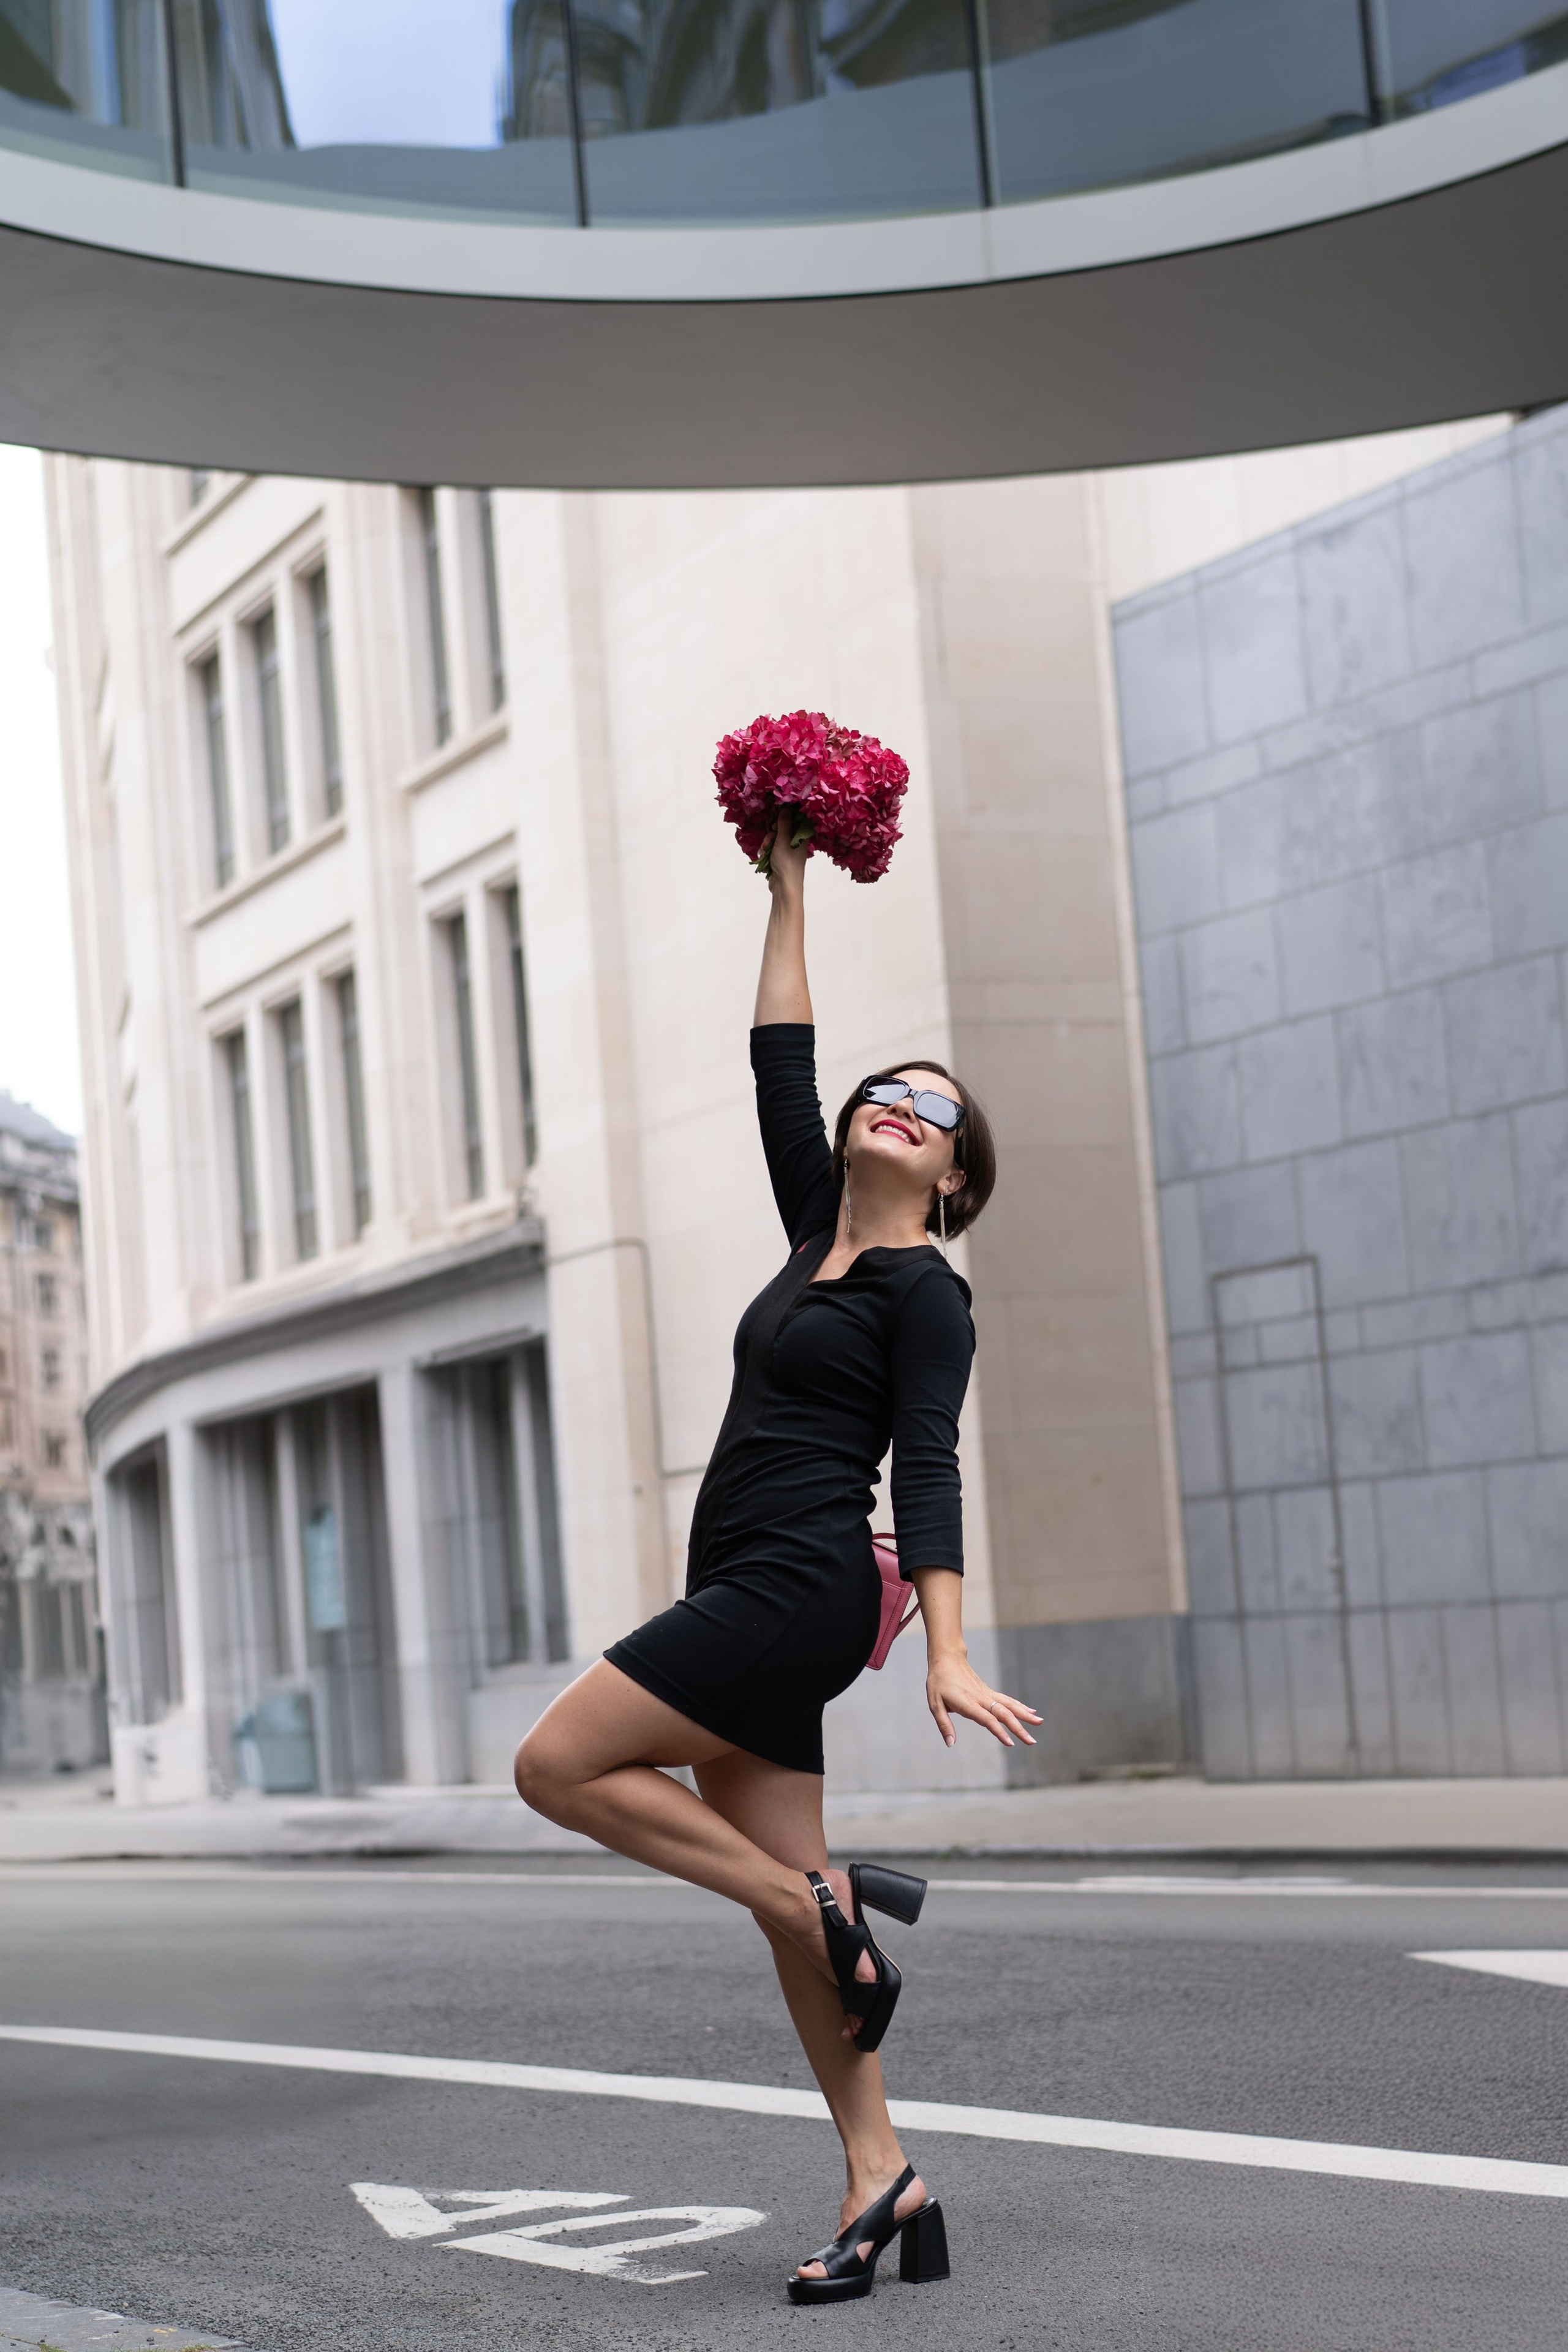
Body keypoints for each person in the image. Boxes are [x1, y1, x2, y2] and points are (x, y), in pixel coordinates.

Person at [514, 813, 1041, 2303]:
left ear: (952, 1179)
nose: (896, 1104)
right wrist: (789, 886)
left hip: (792, 1586)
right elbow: (780, 1061)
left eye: (931, 1109)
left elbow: (926, 1463)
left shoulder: (924, 1294)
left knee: (555, 1768)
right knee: (794, 1905)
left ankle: (810, 1899)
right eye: (888, 1089)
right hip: (745, 1583)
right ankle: (883, 2176)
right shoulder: (814, 1228)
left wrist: (946, 1648)